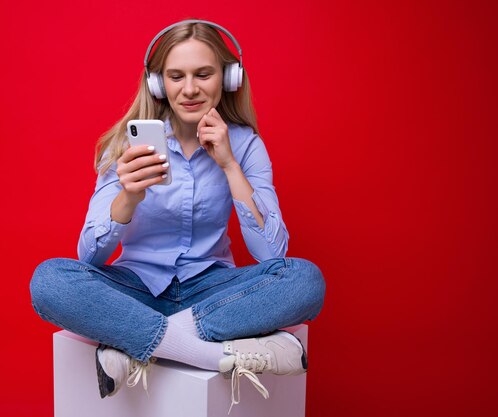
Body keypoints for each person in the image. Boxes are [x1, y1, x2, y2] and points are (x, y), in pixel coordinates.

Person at [30, 19, 325, 411]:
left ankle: (134, 343)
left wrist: (230, 166)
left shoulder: (245, 145)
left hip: (212, 293)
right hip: (137, 289)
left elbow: (272, 255)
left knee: (305, 279)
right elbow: (89, 257)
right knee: (49, 280)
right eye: (176, 76)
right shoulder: (124, 144)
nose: (189, 89)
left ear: (229, 78)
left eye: (203, 74)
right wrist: (128, 198)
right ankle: (205, 353)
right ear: (158, 84)